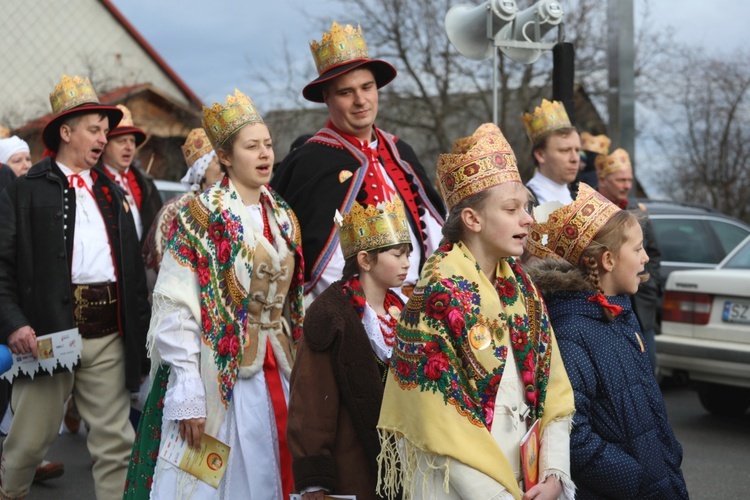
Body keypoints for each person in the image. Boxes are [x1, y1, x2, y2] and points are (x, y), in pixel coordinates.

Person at [377, 123, 575, 500]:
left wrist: (554, 473)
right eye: (512, 209)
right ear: (472, 220)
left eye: (527, 208)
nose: (528, 219)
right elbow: (439, 423)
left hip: (528, 483)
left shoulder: (523, 287)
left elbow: (555, 388)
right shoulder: (436, 295)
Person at [124, 89, 305, 499]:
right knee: (210, 481)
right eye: (251, 146)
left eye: (268, 145)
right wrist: (188, 388)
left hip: (279, 368)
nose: (265, 155)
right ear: (224, 157)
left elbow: (293, 300)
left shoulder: (282, 212)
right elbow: (176, 303)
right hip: (218, 375)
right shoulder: (199, 215)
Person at [0, 74, 151, 499]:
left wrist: (137, 341)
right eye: (95, 129)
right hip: (48, 335)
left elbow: (134, 275)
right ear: (66, 133)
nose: (104, 138)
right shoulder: (26, 190)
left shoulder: (112, 191)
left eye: (106, 130)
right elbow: (2, 267)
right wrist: (14, 324)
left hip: (108, 334)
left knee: (116, 443)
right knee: (28, 443)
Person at [522, 183, 688, 499]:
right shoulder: (571, 331)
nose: (645, 259)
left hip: (659, 478)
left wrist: (668, 453)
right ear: (608, 260)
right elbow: (572, 429)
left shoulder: (621, 314)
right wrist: (631, 477)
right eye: (638, 249)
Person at [271, 22, 445, 304]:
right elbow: (309, 259)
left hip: (419, 306)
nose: (360, 100)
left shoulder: (401, 151)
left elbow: (435, 229)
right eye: (346, 92)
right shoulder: (308, 162)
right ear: (326, 98)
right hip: (348, 312)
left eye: (367, 87)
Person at [287, 196, 411, 500]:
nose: (407, 263)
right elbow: (312, 401)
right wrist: (315, 481)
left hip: (403, 466)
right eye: (397, 254)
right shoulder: (330, 315)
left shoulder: (405, 312)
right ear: (365, 260)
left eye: (408, 254)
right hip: (351, 464)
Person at [594, 148, 663, 371]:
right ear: (602, 179)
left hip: (641, 305)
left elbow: (653, 252)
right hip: (605, 302)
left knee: (648, 365)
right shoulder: (590, 209)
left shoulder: (636, 210)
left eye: (629, 180)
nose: (626, 185)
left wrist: (650, 284)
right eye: (620, 180)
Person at [142, 127, 224, 289]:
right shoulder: (175, 211)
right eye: (217, 160)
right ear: (202, 171)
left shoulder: (233, 204)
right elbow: (161, 266)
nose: (225, 166)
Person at [96, 104, 163, 244]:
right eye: (121, 141)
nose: (129, 147)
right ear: (105, 146)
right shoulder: (93, 181)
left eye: (132, 141)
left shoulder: (146, 183)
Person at [522, 99, 581, 205]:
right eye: (565, 150)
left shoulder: (580, 200)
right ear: (540, 155)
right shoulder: (525, 202)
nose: (575, 158)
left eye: (577, 150)